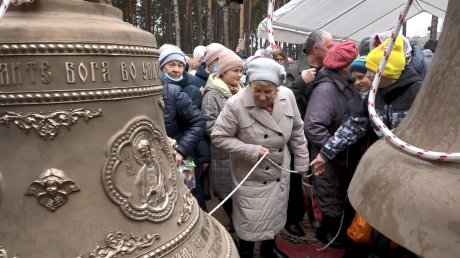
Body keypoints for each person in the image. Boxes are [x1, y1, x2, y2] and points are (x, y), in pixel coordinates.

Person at [311, 34, 423, 258]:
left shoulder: (419, 93)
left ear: (386, 71)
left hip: (415, 172)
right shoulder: (371, 97)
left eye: (371, 71)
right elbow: (352, 127)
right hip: (385, 170)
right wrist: (325, 154)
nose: (367, 77)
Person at [211, 58, 309, 258]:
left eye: (268, 91)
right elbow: (218, 137)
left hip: (280, 169)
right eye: (257, 90)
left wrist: (302, 161)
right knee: (250, 217)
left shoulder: (288, 96)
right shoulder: (235, 104)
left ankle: (268, 249)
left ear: (278, 88)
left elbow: (298, 129)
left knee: (275, 212)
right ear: (249, 85)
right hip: (252, 173)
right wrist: (251, 150)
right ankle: (245, 251)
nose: (263, 97)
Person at [304, 40, 358, 247]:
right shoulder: (326, 89)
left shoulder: (345, 84)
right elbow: (313, 125)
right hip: (327, 157)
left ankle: (335, 231)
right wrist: (333, 151)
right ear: (345, 66)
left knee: (338, 193)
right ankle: (327, 233)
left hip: (339, 155)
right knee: (330, 195)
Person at [283, 30, 334, 237]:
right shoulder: (295, 70)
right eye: (329, 47)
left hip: (323, 134)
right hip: (300, 137)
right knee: (297, 178)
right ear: (316, 49)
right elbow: (283, 101)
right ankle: (293, 218)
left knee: (322, 178)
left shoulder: (331, 68)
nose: (333, 50)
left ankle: (322, 217)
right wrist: (300, 82)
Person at [159, 47, 208, 211]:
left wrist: (200, 155)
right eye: (171, 64)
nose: (176, 69)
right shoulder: (153, 90)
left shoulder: (190, 90)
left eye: (180, 65)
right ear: (161, 66)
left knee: (192, 195)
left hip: (184, 155)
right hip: (158, 155)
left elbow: (197, 123)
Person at [201, 48, 244, 231]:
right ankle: (234, 223)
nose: (239, 75)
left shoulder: (242, 91)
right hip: (223, 154)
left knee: (242, 192)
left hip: (241, 152)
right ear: (224, 71)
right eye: (236, 71)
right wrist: (235, 132)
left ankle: (240, 223)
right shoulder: (212, 96)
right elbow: (209, 125)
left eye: (241, 71)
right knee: (227, 192)